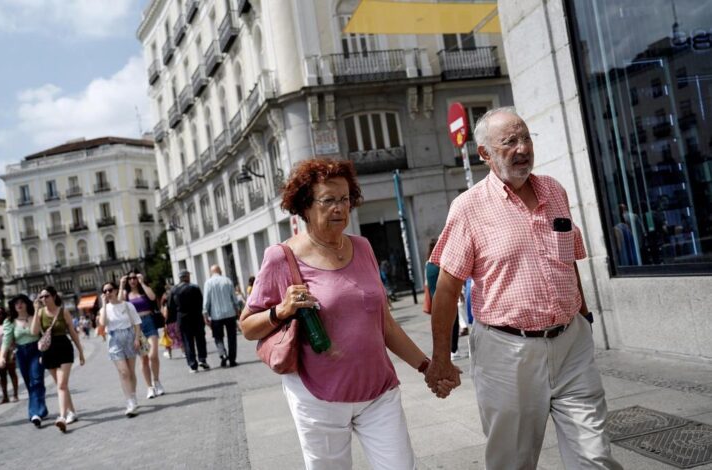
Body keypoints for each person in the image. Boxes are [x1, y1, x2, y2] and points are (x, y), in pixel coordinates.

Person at [425, 107, 621, 469]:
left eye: (526, 138)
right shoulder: (468, 208)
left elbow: (568, 262)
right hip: (506, 352)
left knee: (595, 458)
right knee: (512, 461)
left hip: (571, 345)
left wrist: (584, 317)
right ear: (484, 154)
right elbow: (447, 288)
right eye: (509, 142)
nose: (522, 148)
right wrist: (440, 358)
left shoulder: (554, 191)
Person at [240, 158, 454, 470]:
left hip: (378, 391)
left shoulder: (363, 247)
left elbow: (385, 324)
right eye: (329, 200)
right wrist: (281, 310)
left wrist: (426, 367)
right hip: (318, 398)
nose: (340, 208)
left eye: (345, 199)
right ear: (305, 206)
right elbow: (247, 326)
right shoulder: (281, 258)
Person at [31, 286, 85, 433]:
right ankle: (72, 412)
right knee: (62, 385)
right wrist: (36, 310)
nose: (43, 299)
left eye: (46, 296)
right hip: (48, 351)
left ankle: (62, 417)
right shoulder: (40, 313)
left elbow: (73, 333)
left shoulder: (63, 311)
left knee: (61, 384)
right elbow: (34, 332)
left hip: (64, 348)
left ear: (54, 296)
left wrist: (80, 351)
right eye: (41, 297)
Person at [1, 294, 48, 427]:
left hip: (36, 350)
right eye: (16, 303)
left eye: (22, 302)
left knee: (36, 380)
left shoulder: (35, 317)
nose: (19, 305)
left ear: (27, 304)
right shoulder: (10, 321)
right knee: (29, 383)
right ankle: (41, 408)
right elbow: (6, 339)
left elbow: (38, 333)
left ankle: (34, 413)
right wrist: (2, 357)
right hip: (21, 353)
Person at [119, 270, 165, 399]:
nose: (132, 280)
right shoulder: (125, 294)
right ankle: (149, 387)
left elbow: (152, 297)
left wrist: (142, 282)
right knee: (144, 359)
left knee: (153, 355)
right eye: (130, 278)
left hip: (149, 322)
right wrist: (121, 285)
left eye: (134, 278)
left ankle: (157, 381)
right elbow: (118, 303)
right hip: (136, 327)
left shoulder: (144, 290)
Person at [99, 282, 142, 417]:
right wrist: (104, 305)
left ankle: (133, 396)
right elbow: (103, 323)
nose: (107, 293)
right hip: (114, 339)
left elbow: (136, 323)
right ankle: (129, 402)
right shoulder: (104, 309)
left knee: (130, 371)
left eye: (110, 290)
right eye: (104, 291)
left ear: (116, 290)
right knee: (123, 372)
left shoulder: (127, 305)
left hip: (129, 337)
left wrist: (136, 338)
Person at [168, 270, 210, 372]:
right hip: (196, 317)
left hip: (182, 318)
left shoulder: (174, 290)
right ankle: (202, 359)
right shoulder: (194, 287)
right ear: (187, 277)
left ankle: (192, 364)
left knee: (187, 341)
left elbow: (170, 306)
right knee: (200, 339)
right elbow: (200, 302)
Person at [203, 265, 241, 368]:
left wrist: (205, 314)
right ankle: (232, 359)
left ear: (211, 272)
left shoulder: (208, 283)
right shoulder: (227, 281)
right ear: (220, 271)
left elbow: (206, 300)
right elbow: (234, 297)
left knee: (218, 337)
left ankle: (223, 354)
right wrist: (237, 310)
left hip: (216, 316)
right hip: (230, 313)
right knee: (232, 337)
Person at [0, 306, 19, 404]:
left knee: (12, 373)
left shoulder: (8, 324)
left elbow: (13, 339)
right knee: (2, 376)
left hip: (8, 351)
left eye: (0, 314)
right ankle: (5, 396)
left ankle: (15, 395)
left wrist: (14, 351)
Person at [160, 287, 183, 359]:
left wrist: (164, 323)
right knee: (180, 337)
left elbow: (165, 315)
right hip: (176, 322)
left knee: (168, 339)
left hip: (169, 324)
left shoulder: (166, 305)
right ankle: (184, 352)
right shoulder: (175, 302)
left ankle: (169, 353)